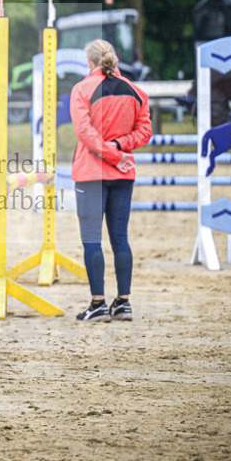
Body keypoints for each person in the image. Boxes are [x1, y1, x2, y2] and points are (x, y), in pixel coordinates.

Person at [69, 39, 152, 322]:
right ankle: (123, 303)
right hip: (123, 173)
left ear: (89, 63)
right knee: (120, 239)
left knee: (92, 240)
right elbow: (144, 132)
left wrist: (111, 153)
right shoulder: (137, 91)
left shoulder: (81, 89)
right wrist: (120, 147)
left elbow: (85, 134)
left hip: (92, 172)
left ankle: (98, 304)